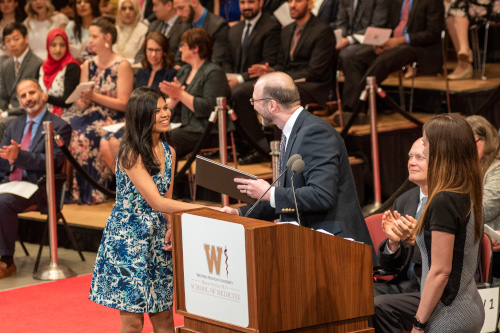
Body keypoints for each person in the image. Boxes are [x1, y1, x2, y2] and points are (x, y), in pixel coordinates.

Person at [89, 87, 205, 332]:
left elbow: (167, 201)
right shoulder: (130, 152)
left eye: (165, 108)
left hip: (157, 240)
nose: (165, 114)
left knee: (164, 318)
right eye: (157, 111)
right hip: (128, 239)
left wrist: (172, 224)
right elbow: (157, 202)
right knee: (132, 321)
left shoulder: (169, 152)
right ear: (142, 116)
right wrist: (204, 209)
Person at [221, 72, 373, 247]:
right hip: (310, 241)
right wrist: (239, 213)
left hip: (338, 246)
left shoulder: (314, 133)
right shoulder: (295, 131)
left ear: (272, 105)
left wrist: (270, 193)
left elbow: (321, 196)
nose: (253, 107)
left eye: (254, 101)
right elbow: (290, 197)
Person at [233, 0, 336, 165]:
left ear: (310, 4)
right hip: (289, 81)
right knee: (241, 92)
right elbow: (281, 64)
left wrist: (281, 78)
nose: (292, 5)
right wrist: (271, 72)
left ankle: (283, 154)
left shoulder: (323, 30)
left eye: (298, 1)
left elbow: (315, 71)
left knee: (278, 93)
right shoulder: (287, 30)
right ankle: (260, 147)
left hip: (315, 86)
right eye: (290, 1)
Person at [409, 114, 484, 332]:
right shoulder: (467, 189)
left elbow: (441, 271)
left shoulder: (444, 199)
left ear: (439, 149)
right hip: (469, 306)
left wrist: (418, 324)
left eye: (425, 142)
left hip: (449, 315)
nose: (423, 149)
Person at [0, 79, 71, 279]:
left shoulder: (59, 126)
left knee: (2, 203)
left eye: (32, 93)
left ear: (41, 93)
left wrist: (18, 156)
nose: (28, 99)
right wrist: (9, 158)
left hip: (39, 187)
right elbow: (3, 161)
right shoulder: (13, 125)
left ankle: (6, 260)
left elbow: (54, 162)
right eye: (23, 96)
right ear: (19, 101)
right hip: (10, 184)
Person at [64, 17, 134, 204]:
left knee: (86, 134)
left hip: (115, 117)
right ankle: (73, 190)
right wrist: (81, 99)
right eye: (90, 36)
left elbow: (124, 103)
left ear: (107, 38)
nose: (90, 41)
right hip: (91, 113)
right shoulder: (87, 65)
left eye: (94, 36)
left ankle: (97, 191)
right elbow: (84, 102)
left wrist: (93, 96)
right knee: (68, 129)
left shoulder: (122, 65)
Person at [340, 0, 443, 113]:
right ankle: (363, 107)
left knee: (383, 61)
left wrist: (400, 40)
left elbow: (433, 33)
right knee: (353, 59)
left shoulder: (432, 1)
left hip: (419, 47)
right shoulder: (397, 1)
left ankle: (351, 108)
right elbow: (389, 25)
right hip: (392, 43)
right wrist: (380, 42)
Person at [372, 138, 427, 332]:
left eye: (420, 157)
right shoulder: (405, 200)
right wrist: (393, 243)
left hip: (432, 289)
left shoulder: (445, 202)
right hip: (405, 284)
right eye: (410, 156)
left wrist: (416, 240)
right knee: (353, 295)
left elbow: (446, 261)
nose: (411, 162)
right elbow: (388, 267)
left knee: (378, 305)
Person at [159, 27, 230, 159]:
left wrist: (180, 94)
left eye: (183, 45)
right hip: (184, 127)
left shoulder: (214, 72)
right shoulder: (185, 70)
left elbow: (208, 107)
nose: (180, 49)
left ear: (195, 48)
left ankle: (171, 179)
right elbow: (175, 100)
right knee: (150, 134)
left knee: (163, 140)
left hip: (205, 131)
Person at [0, 22, 43, 139]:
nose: (12, 44)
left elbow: (36, 99)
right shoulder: (5, 65)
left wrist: (5, 113)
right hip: (7, 112)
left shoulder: (37, 63)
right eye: (8, 41)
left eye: (16, 39)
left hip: (28, 111)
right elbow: (2, 96)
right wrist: (1, 110)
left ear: (26, 38)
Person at [173, 0, 232, 72]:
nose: (178, 14)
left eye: (181, 8)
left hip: (211, 75)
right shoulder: (185, 25)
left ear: (194, 2)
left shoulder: (218, 26)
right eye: (176, 9)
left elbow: (216, 61)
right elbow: (179, 59)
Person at [446, 0, 498, 80]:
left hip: (493, 6)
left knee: (458, 8)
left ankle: (464, 59)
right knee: (451, 16)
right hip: (473, 6)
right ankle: (463, 63)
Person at [39, 28, 81, 117]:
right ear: (48, 46)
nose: (58, 49)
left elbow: (68, 101)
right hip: (43, 113)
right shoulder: (42, 67)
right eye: (53, 45)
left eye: (62, 45)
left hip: (66, 115)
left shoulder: (72, 67)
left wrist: (47, 98)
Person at [135, 0, 189, 65]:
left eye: (156, 5)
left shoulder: (185, 26)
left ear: (169, 5)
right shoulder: (154, 26)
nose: (153, 9)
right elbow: (140, 53)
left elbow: (180, 59)